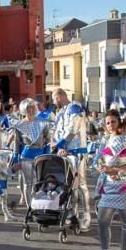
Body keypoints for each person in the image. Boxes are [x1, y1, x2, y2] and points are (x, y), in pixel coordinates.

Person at [88, 111, 126, 250]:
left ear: (119, 122)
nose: (110, 125)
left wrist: (118, 170)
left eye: (113, 122)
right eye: (107, 123)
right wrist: (100, 168)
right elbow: (96, 159)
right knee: (102, 221)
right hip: (108, 185)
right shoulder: (105, 140)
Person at [51, 88, 92, 231]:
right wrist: (55, 144)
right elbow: (56, 130)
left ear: (60, 96)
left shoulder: (75, 107)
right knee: (70, 186)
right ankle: (73, 214)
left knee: (81, 184)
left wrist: (60, 144)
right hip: (65, 153)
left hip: (77, 151)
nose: (53, 101)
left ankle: (86, 216)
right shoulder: (61, 111)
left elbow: (73, 129)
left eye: (54, 98)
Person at [10, 98, 52, 207]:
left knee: (39, 182)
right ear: (24, 109)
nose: (32, 110)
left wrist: (47, 153)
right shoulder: (19, 124)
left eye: (33, 107)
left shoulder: (43, 122)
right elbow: (17, 142)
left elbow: (48, 140)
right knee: (27, 183)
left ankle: (38, 204)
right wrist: (16, 156)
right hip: (26, 156)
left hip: (40, 155)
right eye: (29, 108)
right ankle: (30, 207)